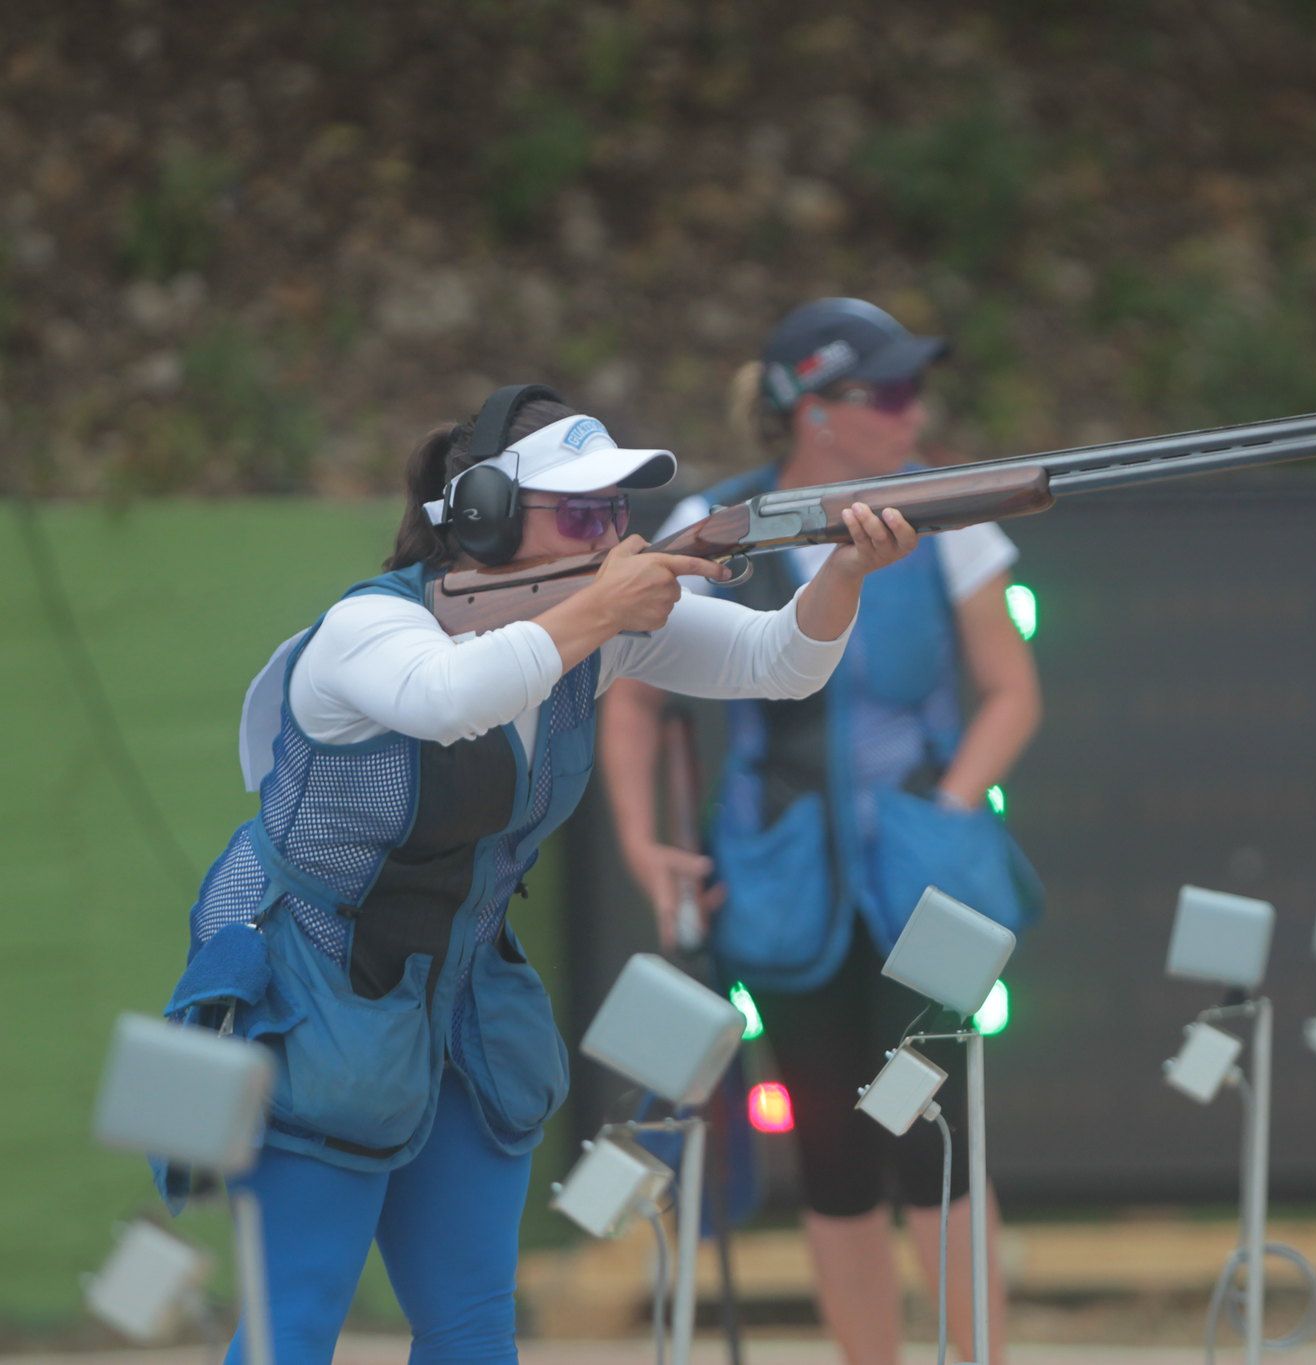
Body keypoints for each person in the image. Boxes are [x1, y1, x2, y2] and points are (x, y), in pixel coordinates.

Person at [158, 383, 916, 1363]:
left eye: (614, 515)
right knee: (296, 1326)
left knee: (475, 1330)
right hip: (316, 1004)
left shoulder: (590, 627)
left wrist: (843, 573)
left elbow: (780, 662)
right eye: (581, 514)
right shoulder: (367, 632)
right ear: (484, 516)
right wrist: (601, 608)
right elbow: (446, 699)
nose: (607, 535)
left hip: (462, 1007)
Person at [601, 300, 1042, 1365]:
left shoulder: (953, 519)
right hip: (777, 876)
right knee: (833, 1150)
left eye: (908, 391)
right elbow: (630, 694)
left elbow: (1010, 692)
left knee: (941, 1136)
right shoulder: (716, 521)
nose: (910, 412)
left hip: (922, 883)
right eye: (884, 392)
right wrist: (640, 843)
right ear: (813, 407)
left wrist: (946, 805)